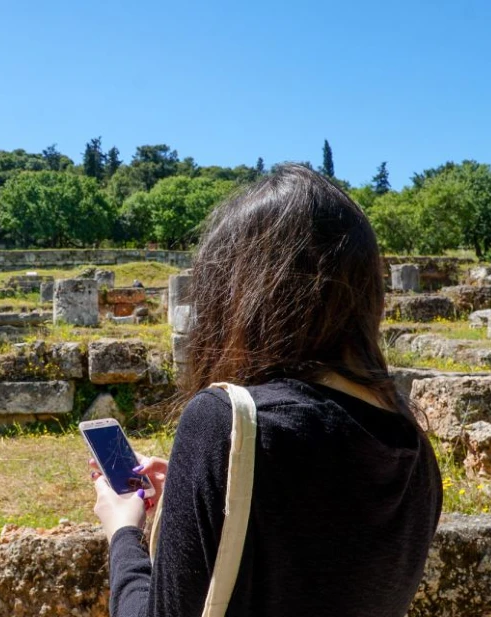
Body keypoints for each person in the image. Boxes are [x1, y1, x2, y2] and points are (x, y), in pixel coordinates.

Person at [90, 164, 443, 617]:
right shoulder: (414, 446)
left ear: (239, 294)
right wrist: (192, 490)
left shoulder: (222, 421)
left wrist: (123, 529)